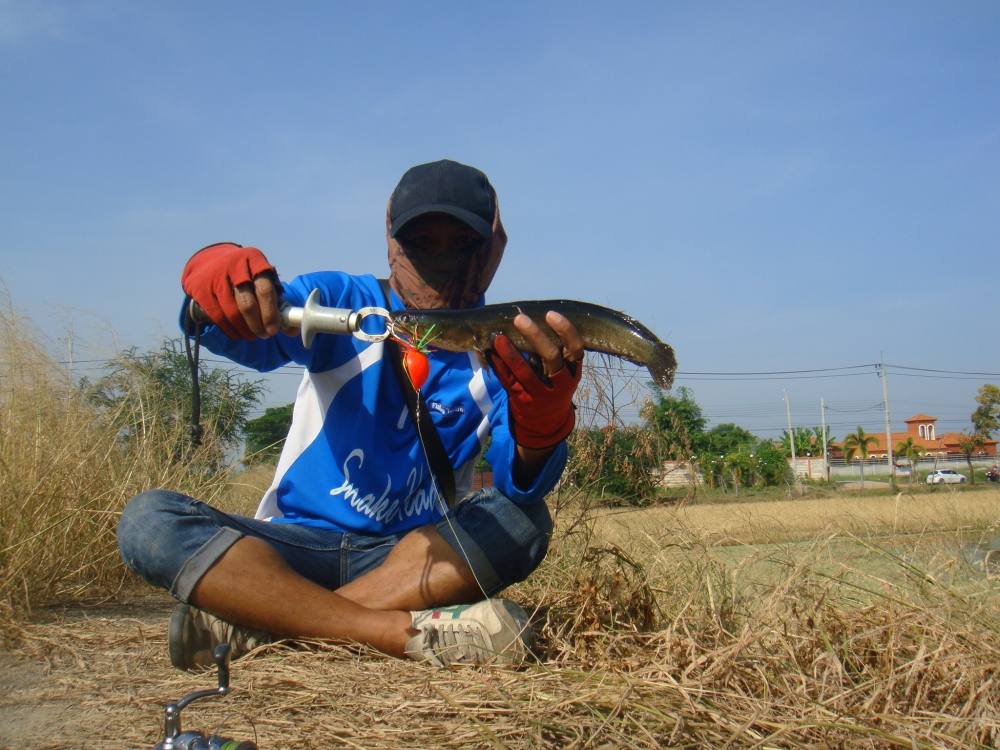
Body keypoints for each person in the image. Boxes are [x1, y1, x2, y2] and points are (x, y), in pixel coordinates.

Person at [117, 159, 584, 670]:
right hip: (294, 546)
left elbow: (522, 487)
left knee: (523, 522)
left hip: (413, 557)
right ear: (391, 238)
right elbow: (245, 326)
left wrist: (541, 424)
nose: (440, 260)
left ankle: (274, 625)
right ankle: (390, 630)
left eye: (461, 244)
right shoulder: (344, 302)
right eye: (422, 242)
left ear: (494, 247)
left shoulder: (504, 345)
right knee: (149, 522)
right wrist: (217, 276)